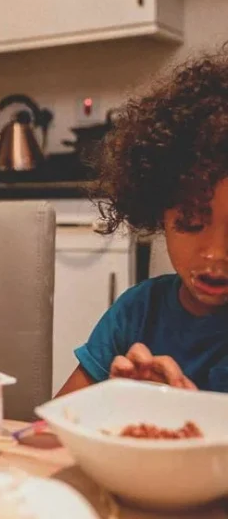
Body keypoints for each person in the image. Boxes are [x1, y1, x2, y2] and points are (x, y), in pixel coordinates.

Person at [57, 50, 228, 396]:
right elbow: (54, 425)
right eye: (191, 222)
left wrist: (194, 419)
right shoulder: (137, 312)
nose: (215, 253)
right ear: (158, 211)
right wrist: (113, 403)